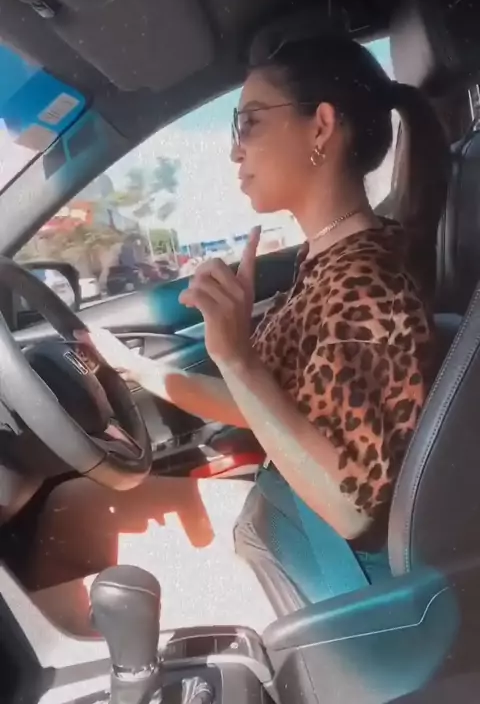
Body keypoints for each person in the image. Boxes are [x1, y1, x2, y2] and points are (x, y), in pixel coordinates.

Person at [28, 34, 449, 619]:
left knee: (63, 556)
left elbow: (350, 507)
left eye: (249, 123)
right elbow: (263, 408)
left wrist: (236, 355)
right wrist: (132, 366)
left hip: (330, 571)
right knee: (71, 506)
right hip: (290, 513)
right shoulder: (330, 262)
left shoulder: (364, 283)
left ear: (321, 127)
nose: (233, 151)